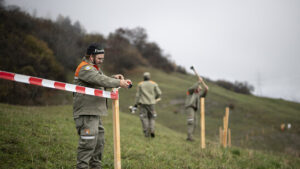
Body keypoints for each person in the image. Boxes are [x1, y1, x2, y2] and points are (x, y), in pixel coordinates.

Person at [73, 43, 131, 169]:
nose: (101, 61)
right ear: (90, 56)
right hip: (86, 113)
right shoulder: (85, 68)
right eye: (99, 58)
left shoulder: (94, 68)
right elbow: (100, 80)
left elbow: (102, 80)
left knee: (99, 143)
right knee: (88, 143)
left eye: (102, 59)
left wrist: (114, 78)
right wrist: (118, 82)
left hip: (95, 113)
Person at [134, 72, 162, 138]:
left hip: (143, 103)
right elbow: (159, 93)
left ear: (143, 77)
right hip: (152, 103)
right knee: (152, 117)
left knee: (144, 118)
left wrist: (135, 104)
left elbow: (138, 95)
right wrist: (154, 98)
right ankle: (152, 130)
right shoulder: (154, 84)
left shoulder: (140, 84)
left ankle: (146, 132)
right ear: (149, 77)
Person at [185, 77, 209, 141]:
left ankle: (191, 136)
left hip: (194, 109)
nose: (199, 90)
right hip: (190, 107)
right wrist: (199, 82)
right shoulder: (190, 91)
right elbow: (193, 87)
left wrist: (206, 90)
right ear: (197, 87)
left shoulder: (197, 95)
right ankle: (189, 137)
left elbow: (203, 96)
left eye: (200, 89)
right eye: (199, 88)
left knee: (195, 123)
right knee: (191, 121)